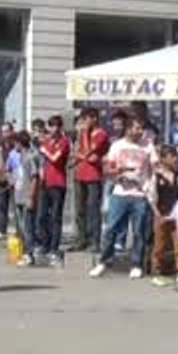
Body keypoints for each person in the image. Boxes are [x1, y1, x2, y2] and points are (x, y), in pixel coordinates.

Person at [89, 118, 156, 280]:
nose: (140, 131)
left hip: (140, 194)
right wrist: (117, 171)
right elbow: (107, 168)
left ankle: (136, 265)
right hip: (120, 193)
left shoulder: (148, 146)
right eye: (137, 128)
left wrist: (151, 189)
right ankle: (104, 262)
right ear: (128, 129)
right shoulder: (117, 145)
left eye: (141, 128)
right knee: (111, 228)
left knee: (139, 231)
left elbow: (154, 168)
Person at [71, 108, 110, 252]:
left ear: (94, 119)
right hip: (80, 174)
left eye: (86, 119)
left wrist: (85, 133)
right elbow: (75, 152)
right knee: (79, 209)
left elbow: (88, 151)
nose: (84, 123)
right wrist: (81, 155)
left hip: (93, 176)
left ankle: (95, 241)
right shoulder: (81, 134)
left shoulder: (101, 134)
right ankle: (81, 239)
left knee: (93, 209)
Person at [149, 144, 178, 285]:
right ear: (163, 159)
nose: (175, 159)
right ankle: (157, 270)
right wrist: (157, 214)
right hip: (162, 214)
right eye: (171, 156)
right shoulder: (156, 176)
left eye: (176, 156)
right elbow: (152, 197)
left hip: (177, 216)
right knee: (160, 245)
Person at [36, 115, 70, 262]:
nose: (53, 129)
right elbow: (42, 160)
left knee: (56, 216)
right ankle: (45, 244)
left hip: (58, 183)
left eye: (56, 126)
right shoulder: (47, 141)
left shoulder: (64, 141)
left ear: (60, 127)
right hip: (45, 183)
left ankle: (54, 247)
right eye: (50, 126)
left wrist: (44, 150)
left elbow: (55, 158)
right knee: (42, 216)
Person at [9, 132, 37, 265]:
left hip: (26, 197)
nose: (14, 146)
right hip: (18, 195)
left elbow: (34, 178)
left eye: (15, 143)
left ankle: (29, 254)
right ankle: (24, 252)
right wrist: (11, 180)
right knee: (21, 228)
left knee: (27, 227)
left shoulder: (30, 157)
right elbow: (16, 174)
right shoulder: (19, 157)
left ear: (20, 143)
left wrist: (31, 197)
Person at [0, 122, 17, 241]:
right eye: (3, 131)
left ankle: (19, 230)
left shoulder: (16, 145)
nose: (5, 134)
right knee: (2, 206)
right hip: (2, 180)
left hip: (14, 180)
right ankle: (1, 230)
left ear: (12, 131)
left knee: (16, 207)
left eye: (7, 131)